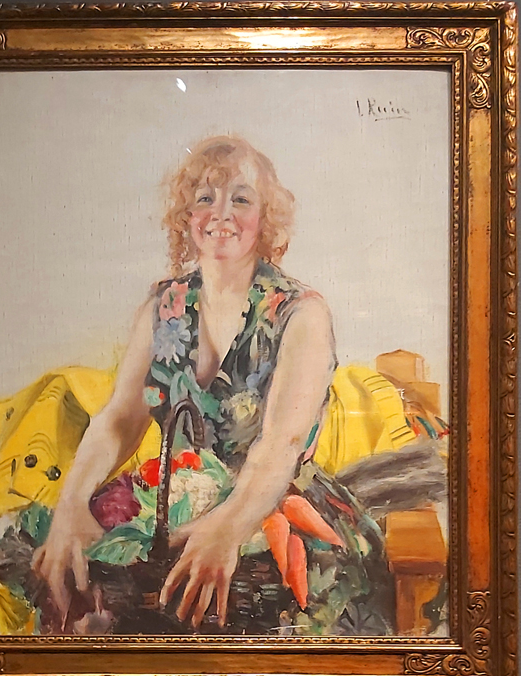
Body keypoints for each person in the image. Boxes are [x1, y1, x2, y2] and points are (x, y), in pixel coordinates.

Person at [31, 135, 392, 634]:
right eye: (206, 198)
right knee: (75, 589)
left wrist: (226, 528)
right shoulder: (162, 307)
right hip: (177, 501)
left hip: (276, 509)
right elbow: (119, 420)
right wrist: (71, 502)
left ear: (265, 218)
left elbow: (280, 446)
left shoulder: (301, 313)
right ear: (187, 215)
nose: (221, 213)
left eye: (240, 199)